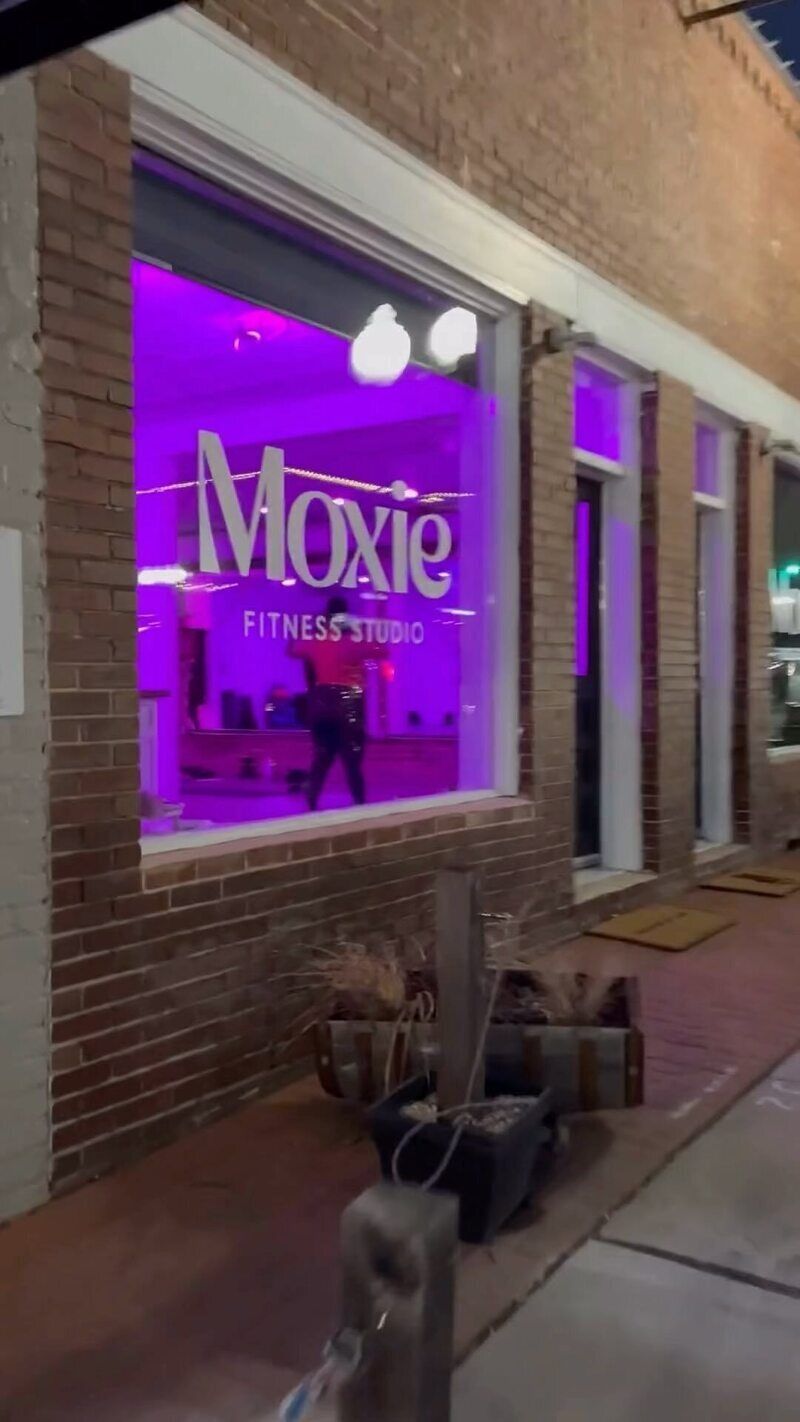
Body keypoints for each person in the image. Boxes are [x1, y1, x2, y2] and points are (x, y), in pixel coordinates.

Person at [289, 595, 384, 810]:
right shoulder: (354, 641)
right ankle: (359, 804)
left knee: (322, 757)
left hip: (321, 701)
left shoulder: (316, 640)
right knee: (352, 761)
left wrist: (315, 627)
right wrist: (359, 627)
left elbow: (293, 648)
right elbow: (382, 650)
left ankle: (311, 802)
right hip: (348, 703)